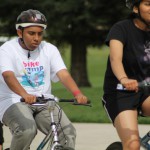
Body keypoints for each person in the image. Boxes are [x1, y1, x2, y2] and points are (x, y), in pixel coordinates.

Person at [0, 9, 88, 150]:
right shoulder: (7, 49)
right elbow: (8, 76)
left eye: (40, 34)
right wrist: (24, 95)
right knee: (27, 130)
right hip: (13, 100)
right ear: (19, 33)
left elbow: (63, 74)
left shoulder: (49, 49)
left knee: (68, 133)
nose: (37, 38)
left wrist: (77, 94)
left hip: (44, 101)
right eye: (31, 33)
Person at [102, 0, 150, 149]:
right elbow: (115, 59)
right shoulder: (121, 28)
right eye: (148, 4)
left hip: (146, 91)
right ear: (136, 8)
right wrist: (124, 79)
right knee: (132, 145)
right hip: (121, 92)